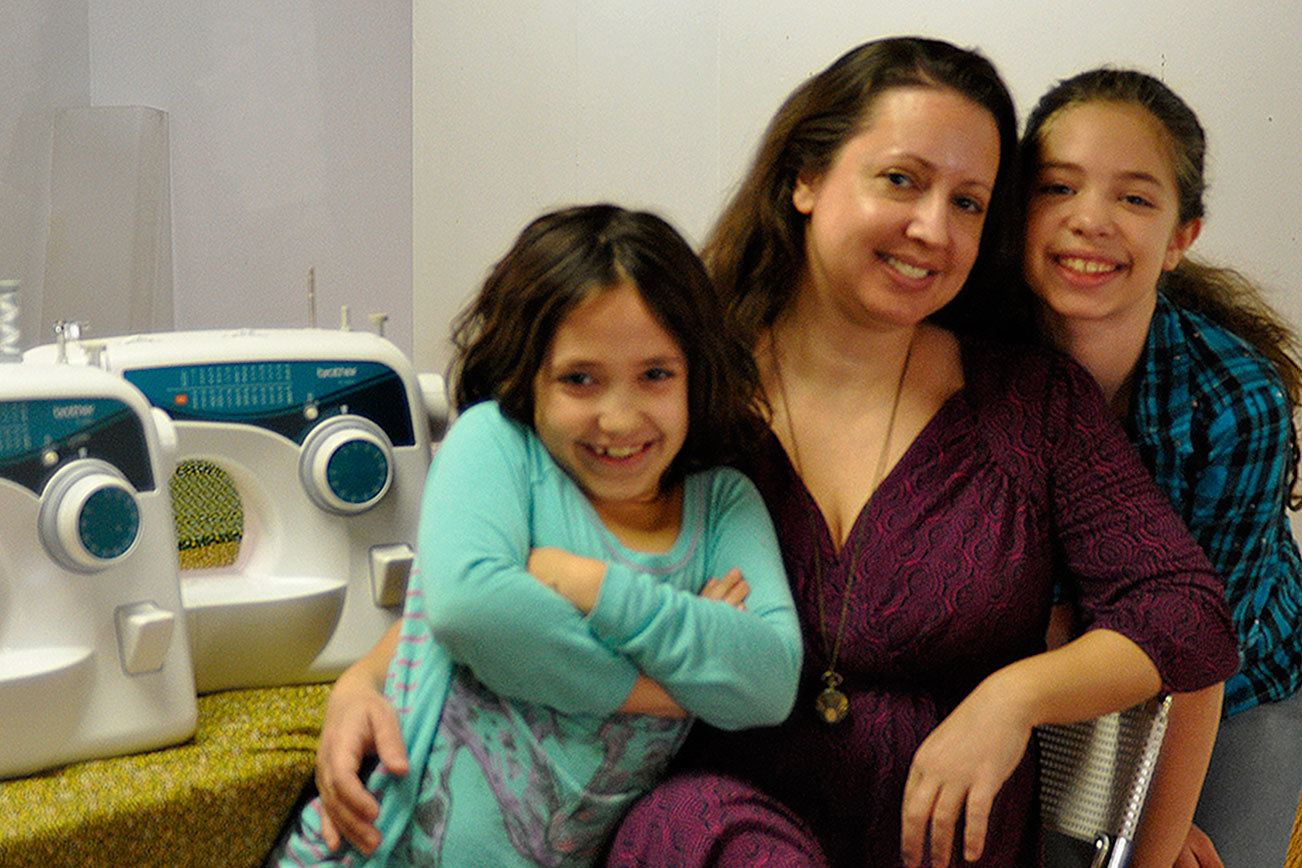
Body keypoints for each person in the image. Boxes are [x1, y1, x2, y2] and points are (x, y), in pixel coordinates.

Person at [306, 38, 1239, 867]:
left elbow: (1185, 613)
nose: (934, 230)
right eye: (902, 181)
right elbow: (520, 546)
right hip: (706, 829)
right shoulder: (674, 385)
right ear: (804, 178)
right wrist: (372, 673)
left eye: (969, 203)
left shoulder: (1028, 406)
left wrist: (1014, 697)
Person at [273, 204, 802, 865]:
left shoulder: (724, 505)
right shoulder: (497, 445)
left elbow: (770, 681)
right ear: (527, 375)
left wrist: (588, 584)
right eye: (579, 379)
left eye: (656, 375)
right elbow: (471, 609)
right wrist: (669, 687)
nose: (618, 417)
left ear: (698, 372)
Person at [1021, 68, 1302, 867]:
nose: (1090, 219)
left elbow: (1202, 651)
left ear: (1182, 236)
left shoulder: (1236, 399)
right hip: (1051, 675)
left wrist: (1158, 837)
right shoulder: (968, 366)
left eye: (1136, 199)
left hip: (1227, 689)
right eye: (1058, 187)